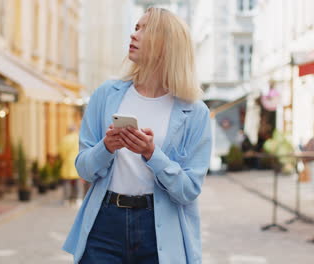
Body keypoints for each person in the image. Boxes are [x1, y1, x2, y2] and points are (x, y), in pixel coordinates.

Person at [63, 7, 212, 264]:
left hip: (159, 229)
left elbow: (189, 190)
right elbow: (84, 169)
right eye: (136, 28)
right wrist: (106, 147)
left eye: (145, 29)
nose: (134, 35)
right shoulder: (106, 95)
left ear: (167, 44)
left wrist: (152, 155)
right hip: (105, 223)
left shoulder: (195, 112)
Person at [58, 125, 82, 206]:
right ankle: (77, 198)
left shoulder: (65, 139)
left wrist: (64, 159)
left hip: (67, 163)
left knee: (66, 182)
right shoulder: (79, 138)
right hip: (77, 162)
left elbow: (61, 152)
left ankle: (66, 199)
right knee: (78, 182)